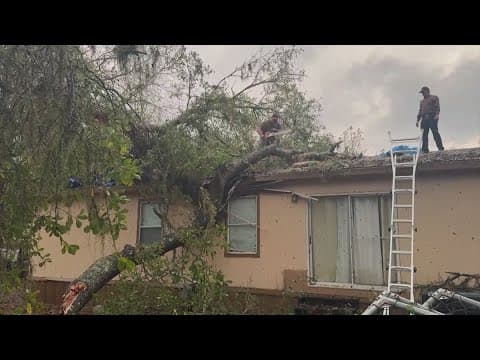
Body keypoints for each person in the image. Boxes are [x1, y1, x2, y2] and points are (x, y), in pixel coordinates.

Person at [416, 86, 444, 153]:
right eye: (422, 93)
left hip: (432, 117)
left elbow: (437, 107)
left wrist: (437, 115)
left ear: (427, 91)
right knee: (424, 134)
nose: (422, 94)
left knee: (435, 132)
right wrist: (417, 120)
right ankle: (425, 150)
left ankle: (440, 148)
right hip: (424, 119)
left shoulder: (434, 97)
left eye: (423, 92)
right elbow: (420, 111)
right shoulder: (422, 101)